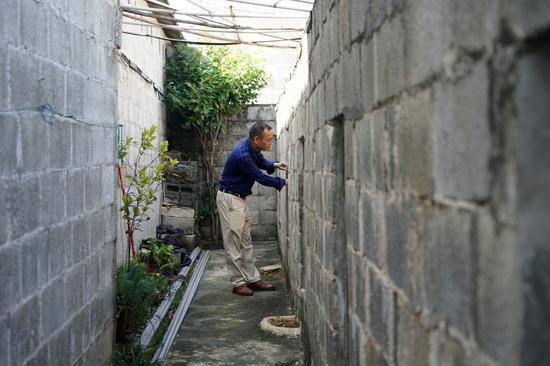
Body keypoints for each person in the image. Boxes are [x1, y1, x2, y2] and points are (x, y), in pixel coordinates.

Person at [217, 122, 288, 296]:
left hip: (240, 199)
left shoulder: (252, 148)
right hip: (230, 199)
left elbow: (262, 162)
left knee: (246, 241)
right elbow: (258, 176)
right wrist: (281, 182)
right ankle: (238, 283)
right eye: (268, 140)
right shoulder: (243, 154)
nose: (270, 143)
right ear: (257, 139)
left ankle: (252, 279)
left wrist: (274, 164)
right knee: (233, 242)